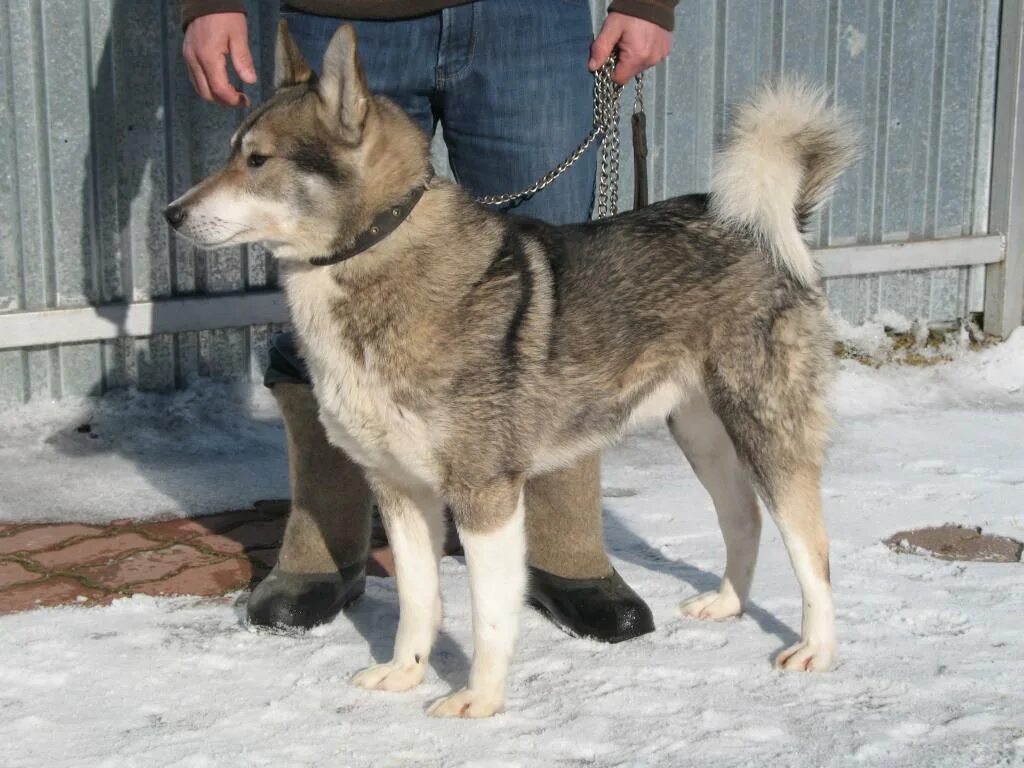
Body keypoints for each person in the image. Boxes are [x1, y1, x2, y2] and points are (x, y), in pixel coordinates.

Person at [180, 0, 676, 642]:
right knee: (324, 267)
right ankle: (324, 539)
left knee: (557, 295)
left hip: (528, 24)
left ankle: (563, 544)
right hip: (341, 10)